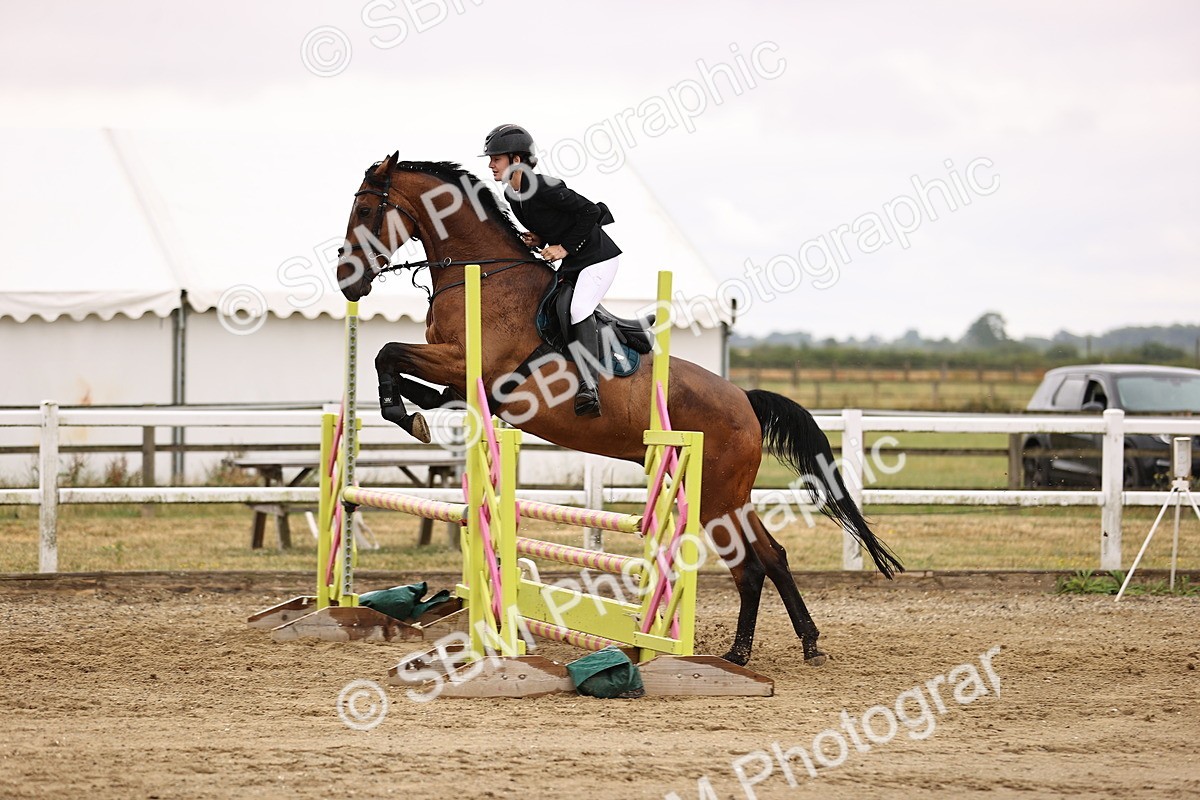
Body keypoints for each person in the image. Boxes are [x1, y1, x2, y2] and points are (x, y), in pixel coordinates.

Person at [482, 123, 620, 418]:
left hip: (598, 258)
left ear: (516, 161)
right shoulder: (512, 194)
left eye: (497, 158)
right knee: (557, 306)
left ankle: (590, 387)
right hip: (575, 261)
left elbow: (590, 212)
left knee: (579, 308)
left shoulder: (543, 185)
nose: (491, 164)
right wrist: (540, 239)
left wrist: (563, 248)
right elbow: (555, 224)